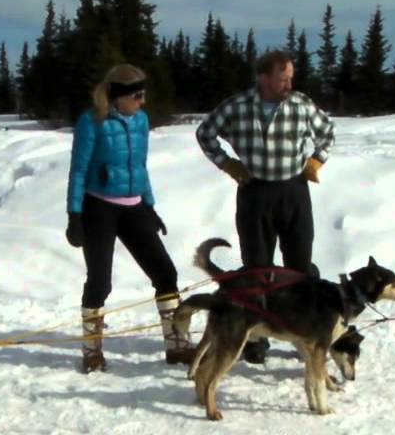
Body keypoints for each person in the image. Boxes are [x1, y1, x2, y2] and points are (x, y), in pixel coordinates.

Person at [196, 50, 336, 364]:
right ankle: (254, 337)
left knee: (299, 268)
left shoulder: (301, 105)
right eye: (282, 78)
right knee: (257, 269)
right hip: (254, 192)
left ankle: (306, 337)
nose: (288, 83)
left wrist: (316, 160)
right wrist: (228, 164)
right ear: (263, 77)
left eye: (291, 78)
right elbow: (205, 133)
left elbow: (327, 132)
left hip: (294, 192)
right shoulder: (237, 106)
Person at [65, 64, 193, 373]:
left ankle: (176, 345)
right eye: (137, 95)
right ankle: (92, 350)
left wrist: (149, 206)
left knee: (165, 273)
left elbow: (141, 167)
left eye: (144, 94)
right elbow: (79, 171)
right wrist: (75, 215)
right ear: (119, 96)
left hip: (134, 206)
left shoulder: (141, 121)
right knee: (100, 281)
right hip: (99, 208)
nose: (142, 101)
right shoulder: (91, 122)